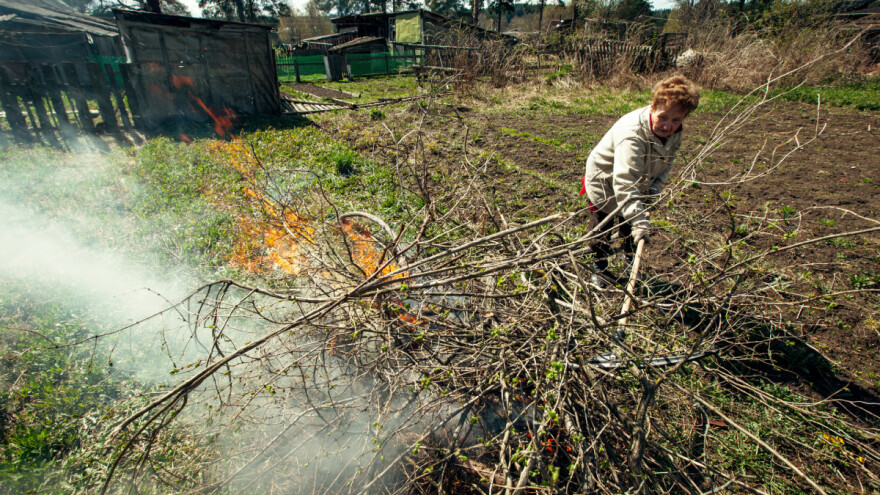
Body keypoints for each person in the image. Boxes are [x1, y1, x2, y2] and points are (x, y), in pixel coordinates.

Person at [580, 75, 700, 287]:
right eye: (663, 117)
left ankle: (629, 261)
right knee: (602, 226)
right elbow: (624, 182)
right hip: (606, 180)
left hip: (638, 181)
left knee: (631, 224)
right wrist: (640, 221)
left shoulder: (675, 132)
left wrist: (655, 186)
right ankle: (599, 267)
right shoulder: (633, 134)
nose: (667, 126)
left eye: (676, 120)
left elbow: (667, 160)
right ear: (653, 107)